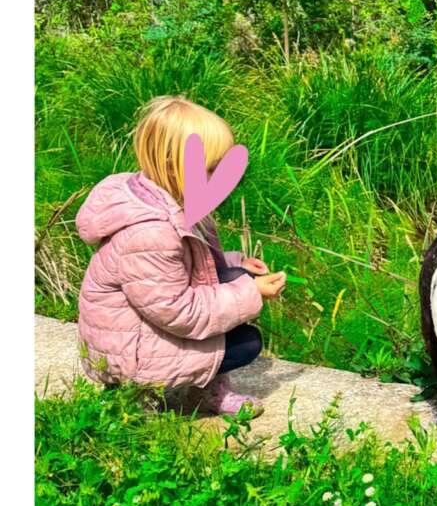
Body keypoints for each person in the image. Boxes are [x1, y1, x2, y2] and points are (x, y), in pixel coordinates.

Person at [75, 95, 286, 416]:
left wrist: (235, 264)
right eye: (213, 168)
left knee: (235, 279)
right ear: (175, 166)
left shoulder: (180, 202)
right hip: (128, 350)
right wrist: (250, 293)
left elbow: (189, 267)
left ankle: (202, 392)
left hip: (140, 328)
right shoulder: (150, 232)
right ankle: (132, 394)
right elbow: (177, 311)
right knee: (245, 343)